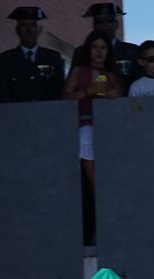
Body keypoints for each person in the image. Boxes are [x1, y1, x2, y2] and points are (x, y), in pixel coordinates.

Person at [62, 29, 122, 186]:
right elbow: (64, 99)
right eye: (95, 47)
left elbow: (122, 104)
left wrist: (113, 95)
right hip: (83, 127)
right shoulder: (78, 71)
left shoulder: (111, 75)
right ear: (88, 49)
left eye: (103, 47)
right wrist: (89, 91)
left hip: (108, 129)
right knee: (93, 182)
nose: (99, 52)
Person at [0, 6, 65, 104]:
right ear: (17, 30)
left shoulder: (52, 57)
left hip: (47, 114)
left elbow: (60, 91)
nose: (29, 29)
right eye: (24, 25)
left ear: (39, 29)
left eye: (33, 25)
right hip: (18, 115)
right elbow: (0, 95)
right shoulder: (6, 59)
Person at [73, 3, 141, 79]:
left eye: (109, 20)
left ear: (116, 24)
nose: (104, 24)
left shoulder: (133, 51)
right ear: (94, 25)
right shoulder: (81, 53)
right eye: (99, 20)